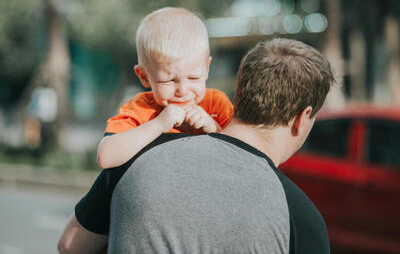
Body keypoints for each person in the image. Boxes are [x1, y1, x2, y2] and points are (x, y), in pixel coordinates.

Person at [58, 38, 335, 254]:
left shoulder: (138, 158)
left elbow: (70, 246)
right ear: (301, 119)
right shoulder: (301, 218)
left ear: (240, 92)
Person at [97, 7, 233, 169]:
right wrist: (158, 124)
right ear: (144, 77)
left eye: (193, 78)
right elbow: (106, 158)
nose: (182, 91)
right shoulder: (140, 109)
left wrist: (214, 128)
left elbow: (243, 157)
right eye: (168, 80)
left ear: (207, 69)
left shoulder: (216, 104)